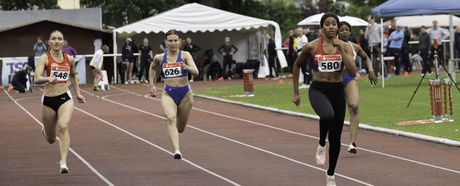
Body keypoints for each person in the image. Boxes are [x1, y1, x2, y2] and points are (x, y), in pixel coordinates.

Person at [292, 13, 356, 186]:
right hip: (318, 89)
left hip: (337, 90)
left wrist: (341, 50)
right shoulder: (311, 46)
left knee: (336, 138)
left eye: (334, 24)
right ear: (322, 27)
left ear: (337, 26)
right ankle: (321, 143)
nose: (331, 27)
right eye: (327, 24)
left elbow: (352, 72)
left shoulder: (345, 46)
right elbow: (297, 65)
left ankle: (330, 174)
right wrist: (296, 92)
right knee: (327, 115)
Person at [34, 30, 86, 174]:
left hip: (65, 97)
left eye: (59, 39)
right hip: (49, 99)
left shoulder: (69, 59)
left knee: (63, 126)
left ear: (63, 42)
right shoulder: (44, 58)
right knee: (51, 139)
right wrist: (47, 78)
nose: (57, 41)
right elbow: (36, 78)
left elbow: (73, 76)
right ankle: (46, 130)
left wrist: (78, 94)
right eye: (54, 39)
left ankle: (63, 162)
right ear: (49, 42)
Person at [148, 30, 198, 159]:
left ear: (180, 41)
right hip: (168, 93)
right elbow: (152, 68)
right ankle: (177, 150)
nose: (173, 43)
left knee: (180, 128)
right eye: (170, 40)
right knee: (170, 118)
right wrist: (152, 85)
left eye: (175, 40)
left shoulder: (185, 55)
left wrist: (186, 67)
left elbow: (196, 71)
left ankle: (176, 131)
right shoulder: (159, 57)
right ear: (165, 42)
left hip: (185, 94)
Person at [337, 21, 377, 154]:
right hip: (333, 80)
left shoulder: (355, 47)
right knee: (335, 112)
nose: (344, 32)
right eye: (341, 30)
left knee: (354, 106)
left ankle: (352, 143)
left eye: (346, 30)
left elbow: (366, 58)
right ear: (337, 31)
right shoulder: (332, 44)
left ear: (350, 32)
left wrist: (370, 70)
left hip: (349, 78)